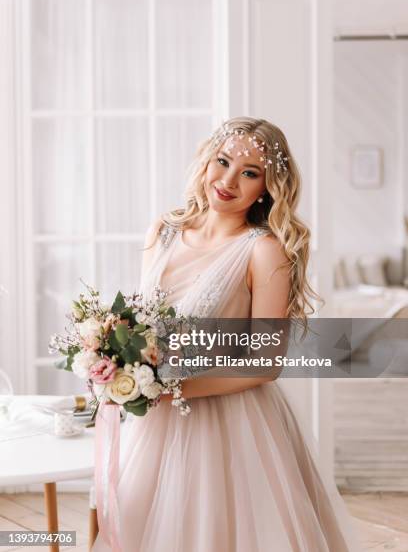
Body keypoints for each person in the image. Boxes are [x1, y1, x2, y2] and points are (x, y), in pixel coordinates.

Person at [92, 117, 360, 551]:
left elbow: (265, 364)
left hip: (235, 424)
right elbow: (144, 326)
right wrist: (119, 361)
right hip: (157, 419)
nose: (229, 180)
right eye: (223, 161)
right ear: (206, 161)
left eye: (250, 173)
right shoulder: (162, 233)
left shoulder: (264, 250)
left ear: (267, 188)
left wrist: (171, 388)